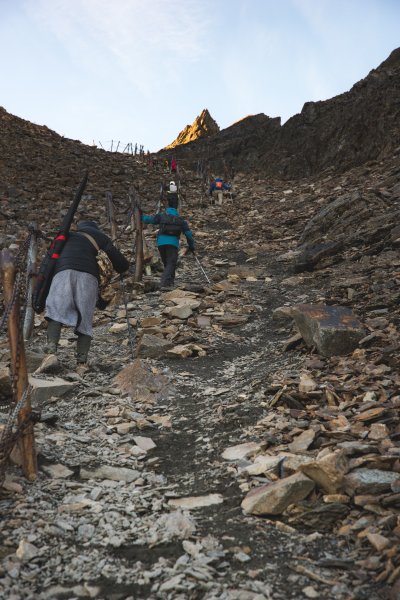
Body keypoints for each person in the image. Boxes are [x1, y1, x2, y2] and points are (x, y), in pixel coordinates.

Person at [45, 220, 129, 371]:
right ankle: (81, 361)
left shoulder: (67, 235)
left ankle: (51, 351)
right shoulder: (101, 237)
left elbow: (50, 258)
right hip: (88, 276)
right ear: (95, 228)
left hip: (63, 273)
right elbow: (122, 265)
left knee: (56, 311)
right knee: (85, 318)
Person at [142, 197, 194, 290]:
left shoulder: (162, 216)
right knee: (171, 262)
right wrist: (192, 246)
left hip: (161, 243)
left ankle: (170, 282)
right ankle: (163, 283)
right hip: (173, 243)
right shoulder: (181, 220)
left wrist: (139, 216)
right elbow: (188, 234)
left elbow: (149, 220)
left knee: (167, 263)